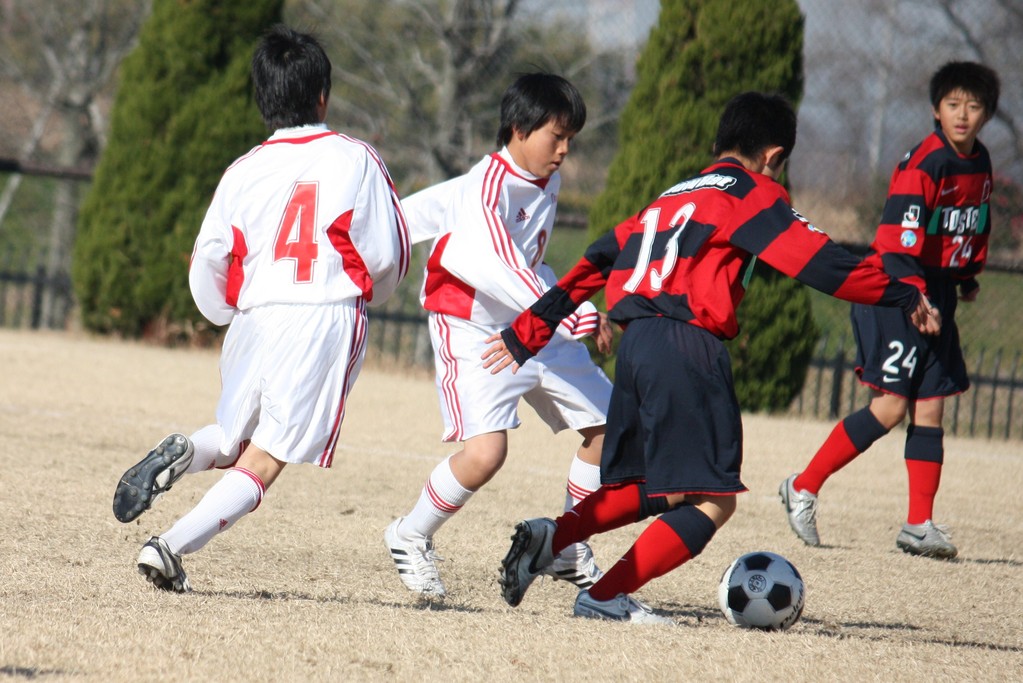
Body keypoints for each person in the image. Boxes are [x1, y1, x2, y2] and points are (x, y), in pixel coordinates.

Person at [486, 91, 941, 624]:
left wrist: (528, 331)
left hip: (637, 344)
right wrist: (902, 293)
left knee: (659, 483)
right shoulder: (752, 194)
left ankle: (553, 538)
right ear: (773, 156)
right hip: (686, 344)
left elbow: (597, 257)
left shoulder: (673, 195)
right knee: (713, 500)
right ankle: (603, 596)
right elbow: (821, 263)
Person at [111, 24, 411, 592]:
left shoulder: (242, 170)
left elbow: (208, 259)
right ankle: (169, 547)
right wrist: (374, 293)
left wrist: (224, 313)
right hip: (322, 312)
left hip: (256, 314)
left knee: (231, 438)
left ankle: (183, 451)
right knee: (267, 458)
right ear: (322, 95)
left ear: (263, 98)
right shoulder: (356, 158)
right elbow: (389, 251)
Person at [383, 73, 615, 598]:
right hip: (474, 324)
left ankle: (568, 546)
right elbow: (503, 266)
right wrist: (573, 312)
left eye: (570, 140)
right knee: (486, 453)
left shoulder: (543, 180)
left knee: (611, 428)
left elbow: (523, 261)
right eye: (556, 137)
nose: (563, 151)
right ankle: (410, 533)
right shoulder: (486, 188)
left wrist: (568, 304)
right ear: (518, 128)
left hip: (534, 320)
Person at [779, 62, 1000, 560]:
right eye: (953, 104)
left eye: (974, 105)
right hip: (895, 292)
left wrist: (964, 276)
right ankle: (803, 486)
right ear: (935, 110)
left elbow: (972, 225)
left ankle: (918, 524)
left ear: (987, 113)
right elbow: (895, 242)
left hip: (935, 291)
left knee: (931, 406)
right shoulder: (926, 162)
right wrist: (916, 294)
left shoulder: (979, 162)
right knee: (891, 407)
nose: (963, 114)